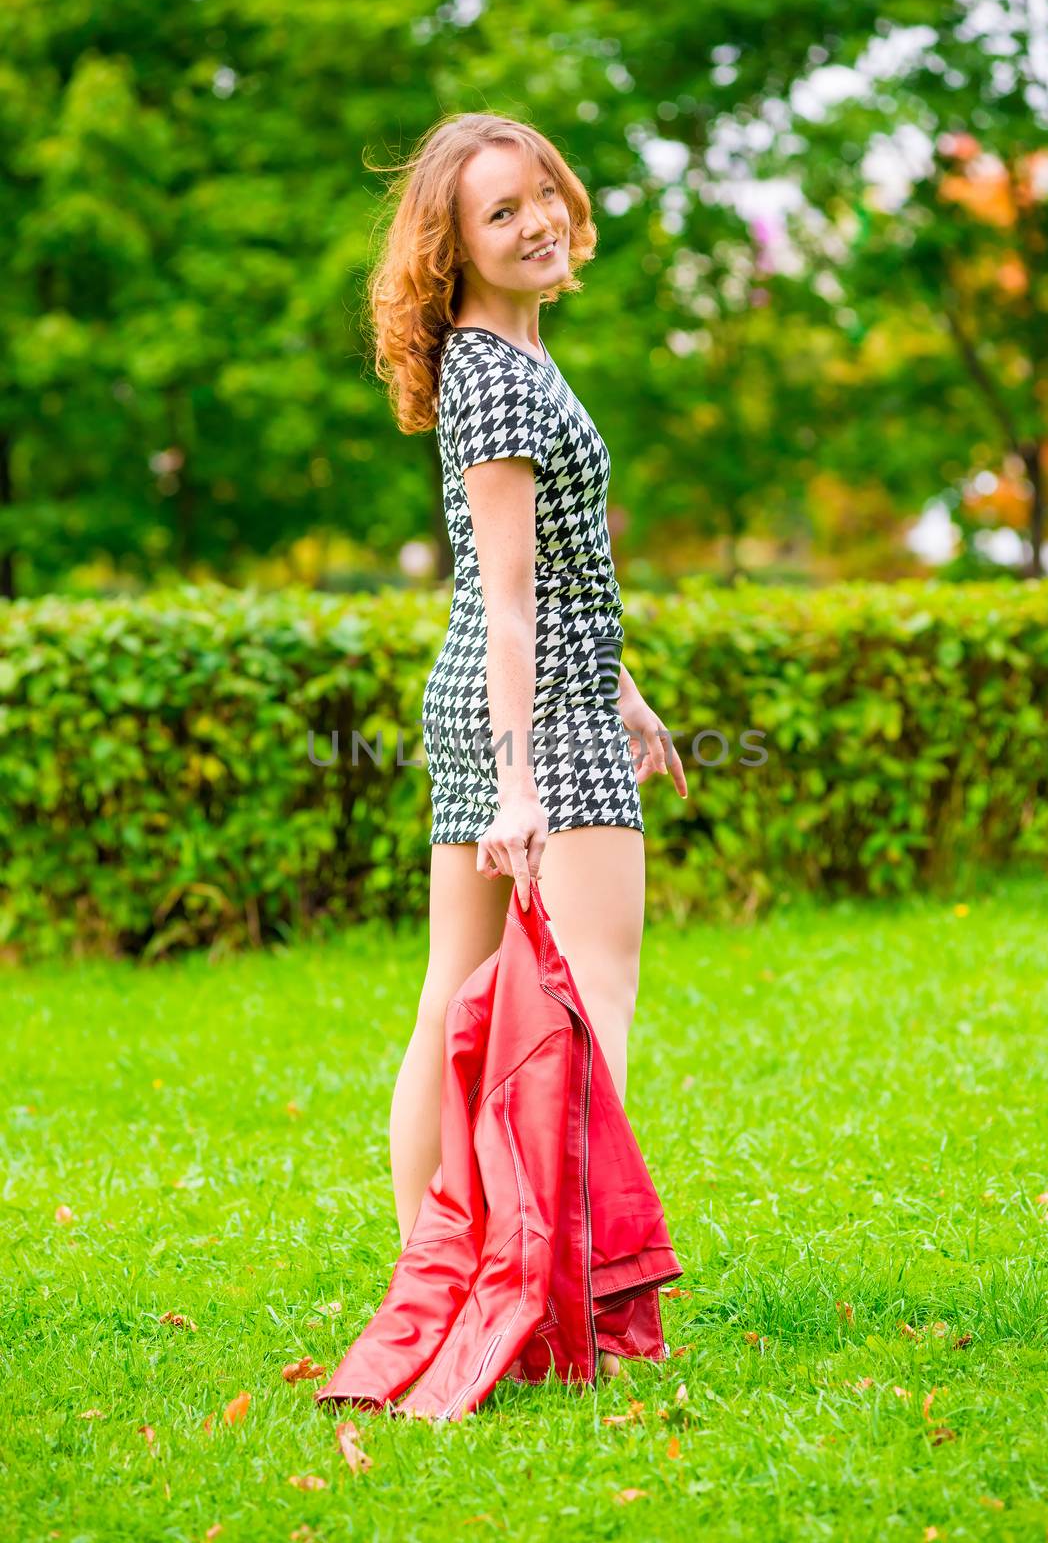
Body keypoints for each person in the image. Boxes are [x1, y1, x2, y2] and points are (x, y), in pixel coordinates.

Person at [366, 115, 687, 1376]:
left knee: (456, 992)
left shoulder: (499, 355)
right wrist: (519, 774)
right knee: (591, 1000)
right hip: (525, 721)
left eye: (540, 191)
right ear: (458, 245)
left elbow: (560, 577)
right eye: (501, 212)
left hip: (535, 699)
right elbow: (504, 594)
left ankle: (438, 1273)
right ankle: (548, 1291)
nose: (537, 219)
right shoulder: (498, 374)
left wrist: (627, 690)